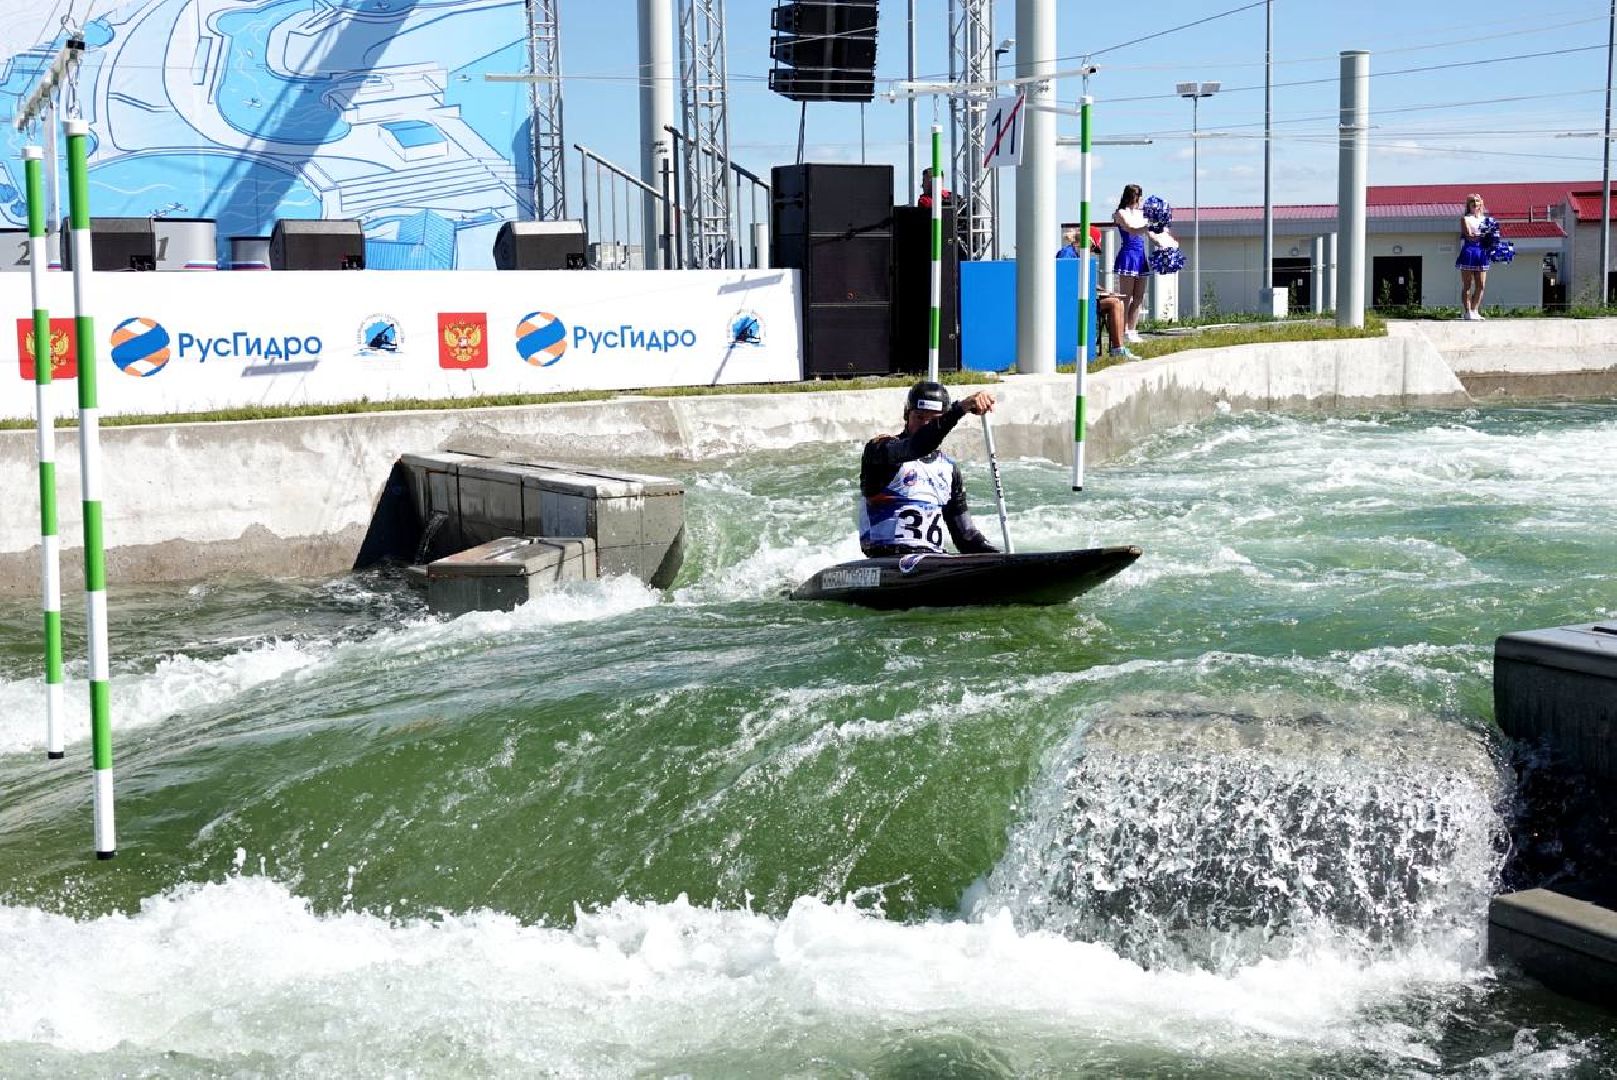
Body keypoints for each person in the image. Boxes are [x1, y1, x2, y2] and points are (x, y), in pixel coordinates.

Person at [859, 381, 1000, 558]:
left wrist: (1003, 561)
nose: (925, 425)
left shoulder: (948, 469)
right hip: (884, 560)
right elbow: (918, 446)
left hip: (930, 561)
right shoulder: (881, 450)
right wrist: (961, 408)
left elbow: (966, 537)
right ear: (906, 414)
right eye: (919, 417)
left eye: (933, 420)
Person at [1112, 184, 1152, 343]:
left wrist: (1166, 243)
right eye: (1139, 196)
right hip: (1128, 255)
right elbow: (1132, 229)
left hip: (1141, 256)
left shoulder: (1143, 214)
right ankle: (1121, 331)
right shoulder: (1120, 213)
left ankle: (1132, 330)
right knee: (1125, 296)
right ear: (1133, 197)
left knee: (1139, 296)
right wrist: (1148, 225)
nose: (1141, 200)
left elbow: (1150, 234)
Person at [1456, 193, 1490, 321]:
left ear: (1481, 203)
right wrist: (1483, 235)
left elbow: (1490, 235)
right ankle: (1468, 311)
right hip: (1470, 251)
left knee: (1481, 284)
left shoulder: (1485, 220)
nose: (1475, 204)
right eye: (1472, 202)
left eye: (1477, 201)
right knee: (1467, 284)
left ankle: (1475, 310)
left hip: (1482, 252)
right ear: (1469, 205)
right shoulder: (1465, 219)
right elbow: (1469, 235)